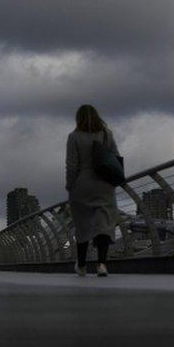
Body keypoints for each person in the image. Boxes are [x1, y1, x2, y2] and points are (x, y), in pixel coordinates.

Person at [66, 104, 120, 277]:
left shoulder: (74, 137)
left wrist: (70, 185)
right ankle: (102, 264)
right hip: (104, 183)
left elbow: (72, 165)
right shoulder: (106, 134)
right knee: (103, 223)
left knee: (82, 225)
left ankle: (81, 265)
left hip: (82, 184)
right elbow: (116, 157)